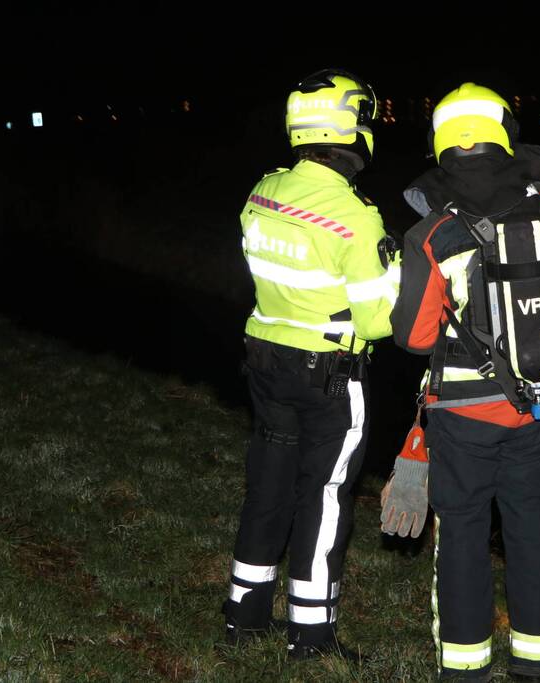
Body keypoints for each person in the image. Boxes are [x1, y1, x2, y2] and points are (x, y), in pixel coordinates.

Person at [386, 83, 540, 681]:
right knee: (534, 534)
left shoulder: (432, 234)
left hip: (464, 418)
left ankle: (466, 668)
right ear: (506, 132)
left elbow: (416, 337)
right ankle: (539, 664)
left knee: (462, 539)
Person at [224, 68, 399, 660]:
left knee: (268, 483)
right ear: (349, 130)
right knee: (324, 495)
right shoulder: (356, 215)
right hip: (329, 374)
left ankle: (243, 616)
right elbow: (378, 322)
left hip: (265, 361)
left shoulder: (263, 191)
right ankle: (311, 634)